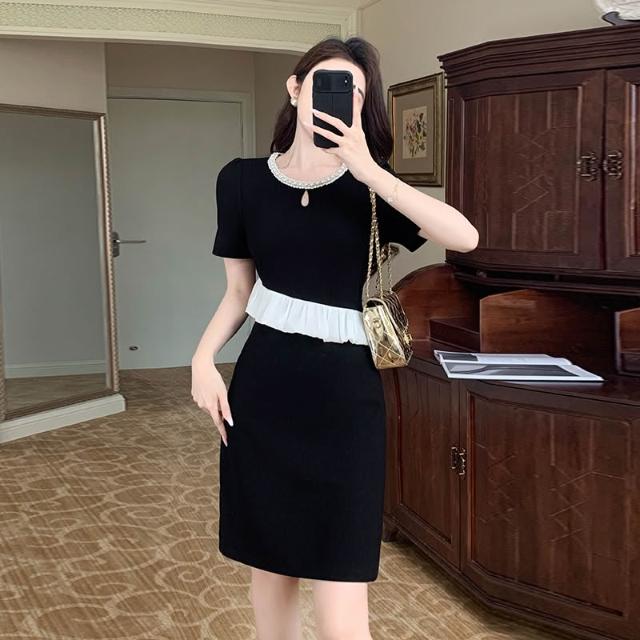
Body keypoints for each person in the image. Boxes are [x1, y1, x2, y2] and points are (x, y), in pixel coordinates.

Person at [191, 35, 478, 640]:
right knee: (269, 569)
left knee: (342, 579)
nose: (336, 97)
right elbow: (240, 293)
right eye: (324, 82)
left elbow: (465, 237)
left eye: (354, 92)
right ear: (295, 89)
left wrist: (371, 171)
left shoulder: (371, 185)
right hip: (264, 391)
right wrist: (202, 360)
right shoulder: (239, 181)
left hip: (346, 399)